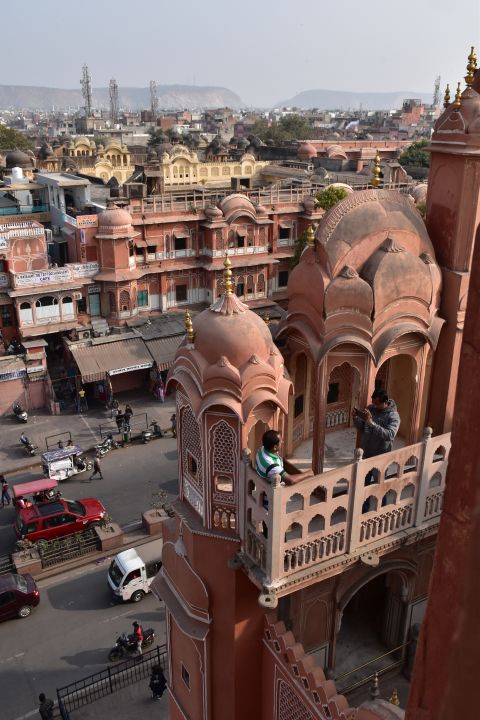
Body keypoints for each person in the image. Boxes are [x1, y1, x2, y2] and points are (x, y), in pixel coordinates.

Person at [352, 389, 400, 461]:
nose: (374, 406)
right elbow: (362, 427)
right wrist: (355, 418)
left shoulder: (393, 416)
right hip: (365, 453)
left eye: (377, 404)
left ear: (385, 402)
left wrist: (372, 424)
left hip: (380, 456)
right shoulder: (370, 408)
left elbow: (390, 435)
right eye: (373, 403)